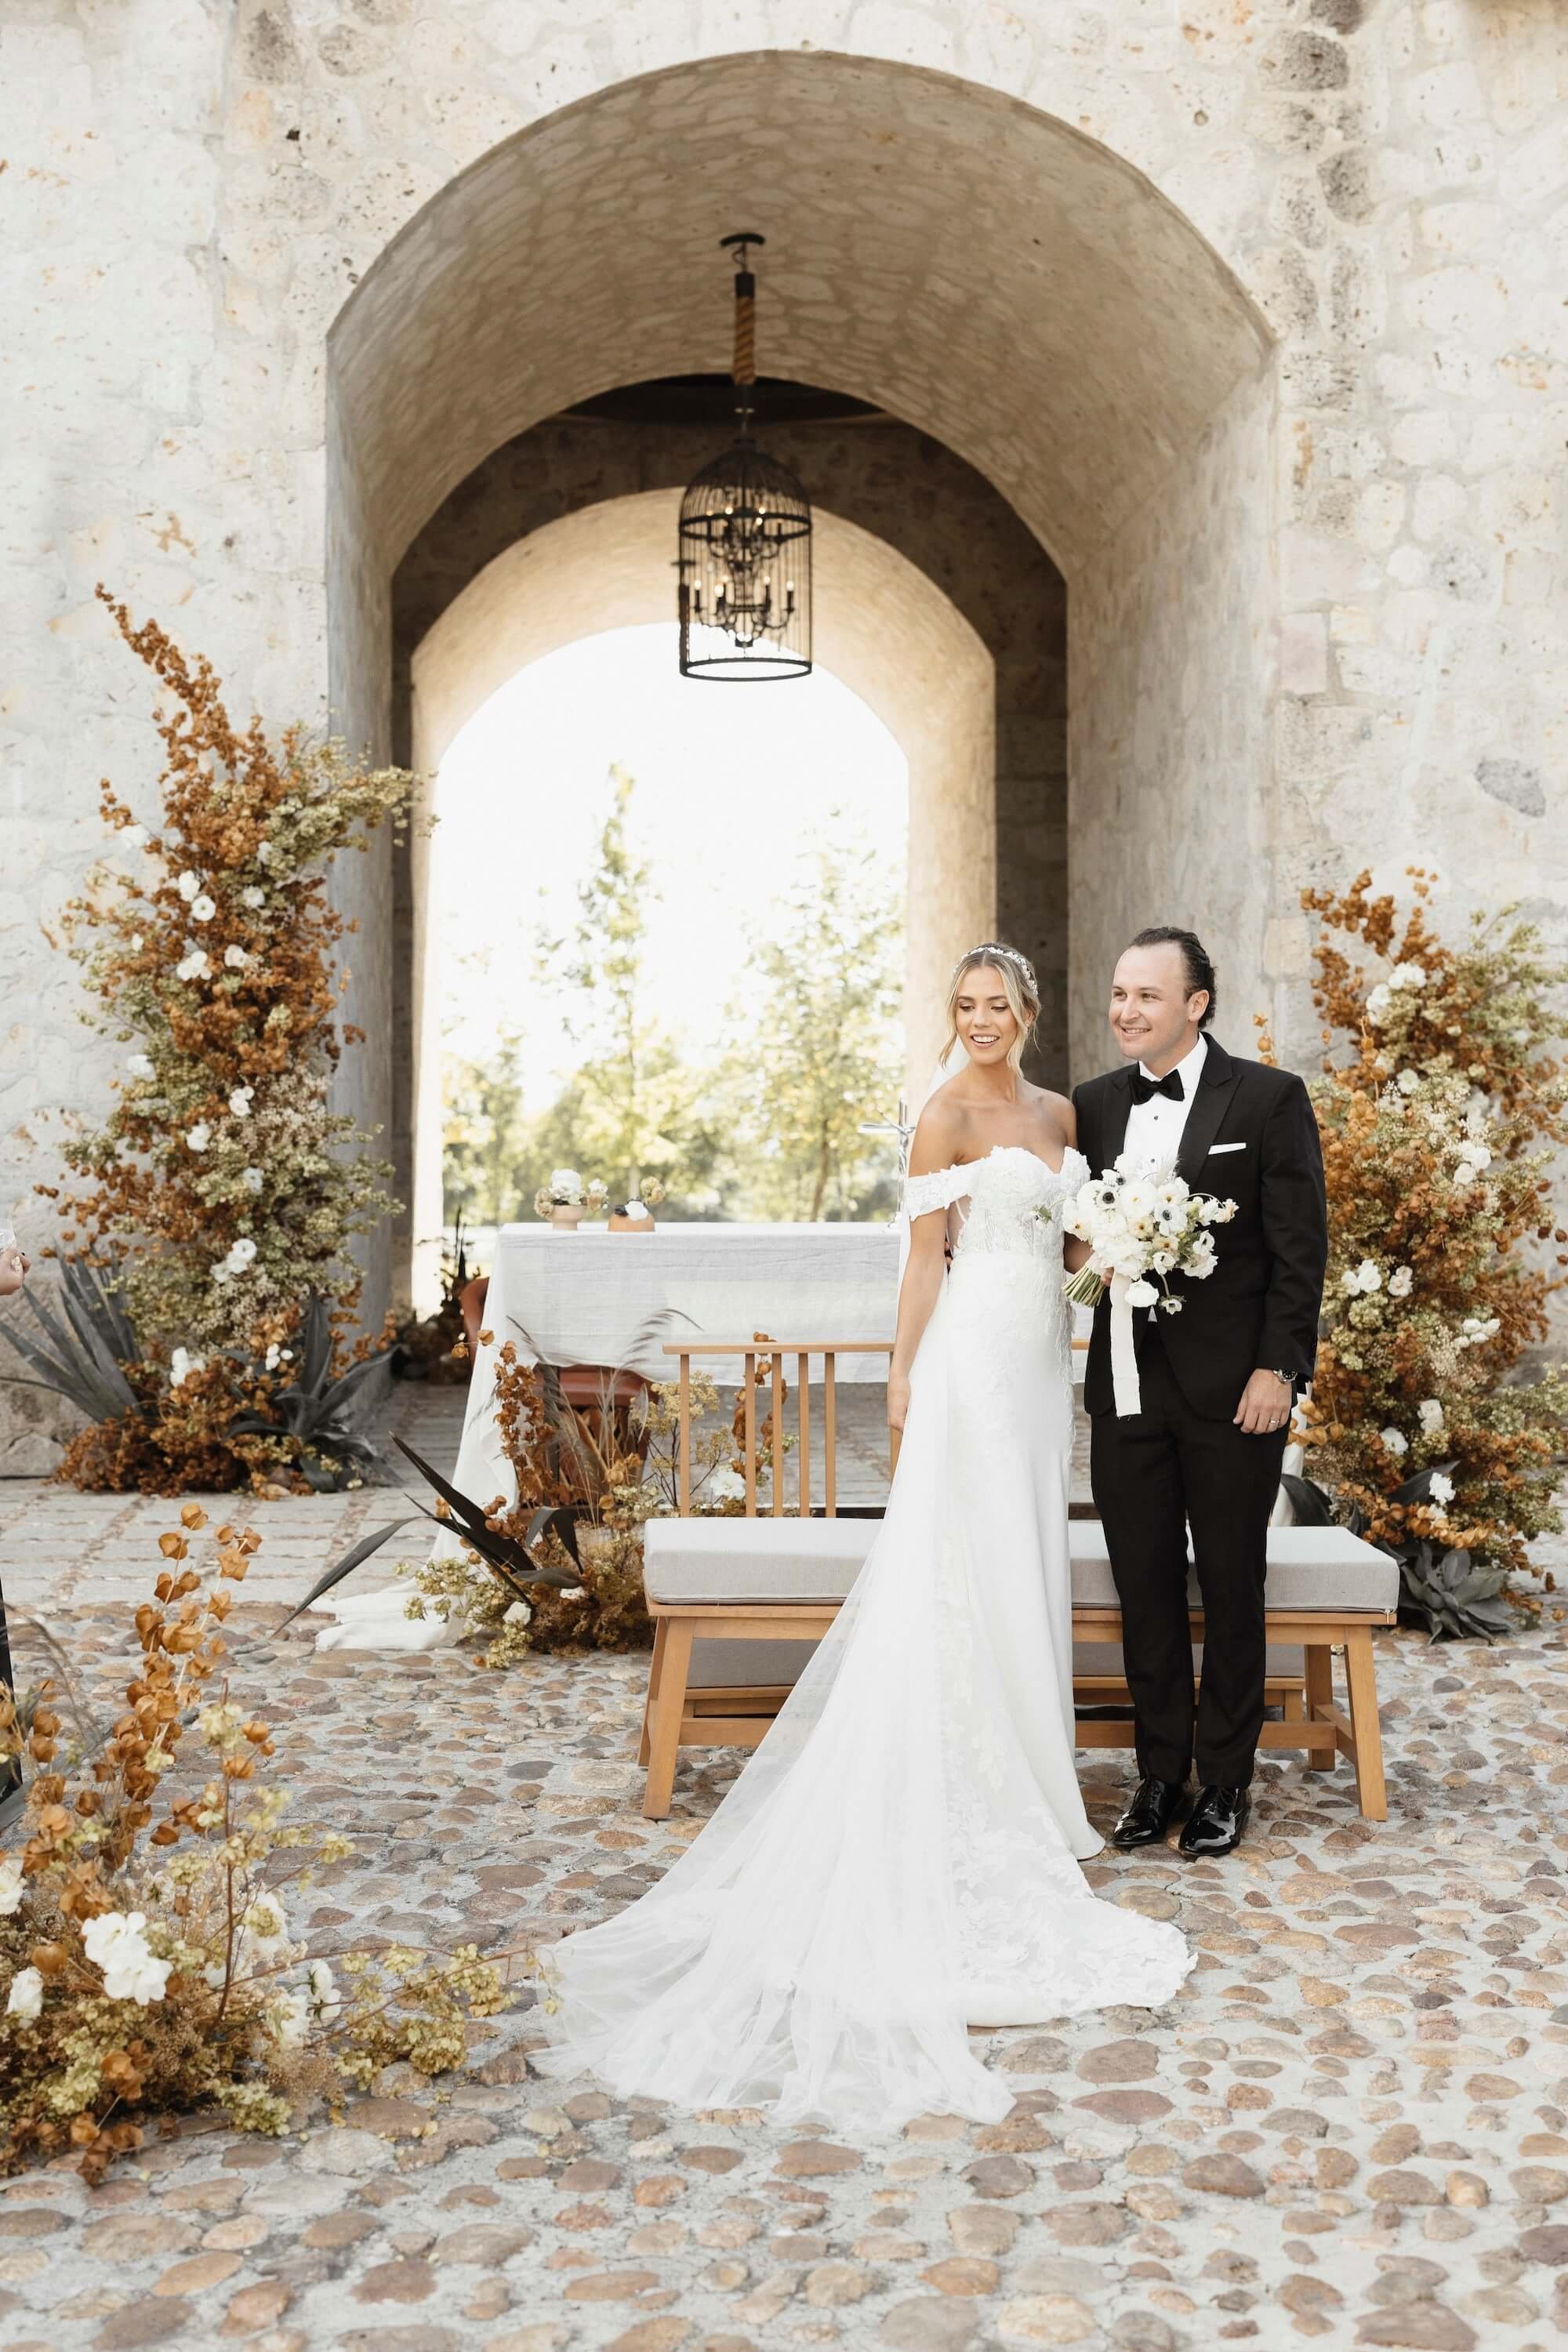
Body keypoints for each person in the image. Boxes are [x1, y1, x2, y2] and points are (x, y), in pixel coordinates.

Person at [533, 946, 1192, 2135]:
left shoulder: (1055, 1111)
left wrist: (1117, 1246)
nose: (981, 1022)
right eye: (965, 1007)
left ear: (1027, 1014)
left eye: (998, 1007)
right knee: (965, 1557)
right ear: (955, 1017)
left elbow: (1064, 1248)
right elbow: (922, 1267)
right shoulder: (941, 1117)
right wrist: (898, 1385)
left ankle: (1043, 1787)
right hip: (968, 1366)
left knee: (1025, 1558)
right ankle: (975, 1774)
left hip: (1042, 1367)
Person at [1072, 927, 1327, 1861]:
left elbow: (1300, 1251)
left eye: (1145, 995)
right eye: (1117, 993)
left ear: (1196, 1004)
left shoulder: (1265, 1098)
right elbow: (1077, 1245)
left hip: (1235, 1394)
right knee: (1140, 1587)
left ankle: (1223, 1781)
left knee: (1229, 1584)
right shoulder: (1091, 1106)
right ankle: (1156, 1775)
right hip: (1125, 1390)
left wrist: (1279, 1370)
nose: (1125, 1010)